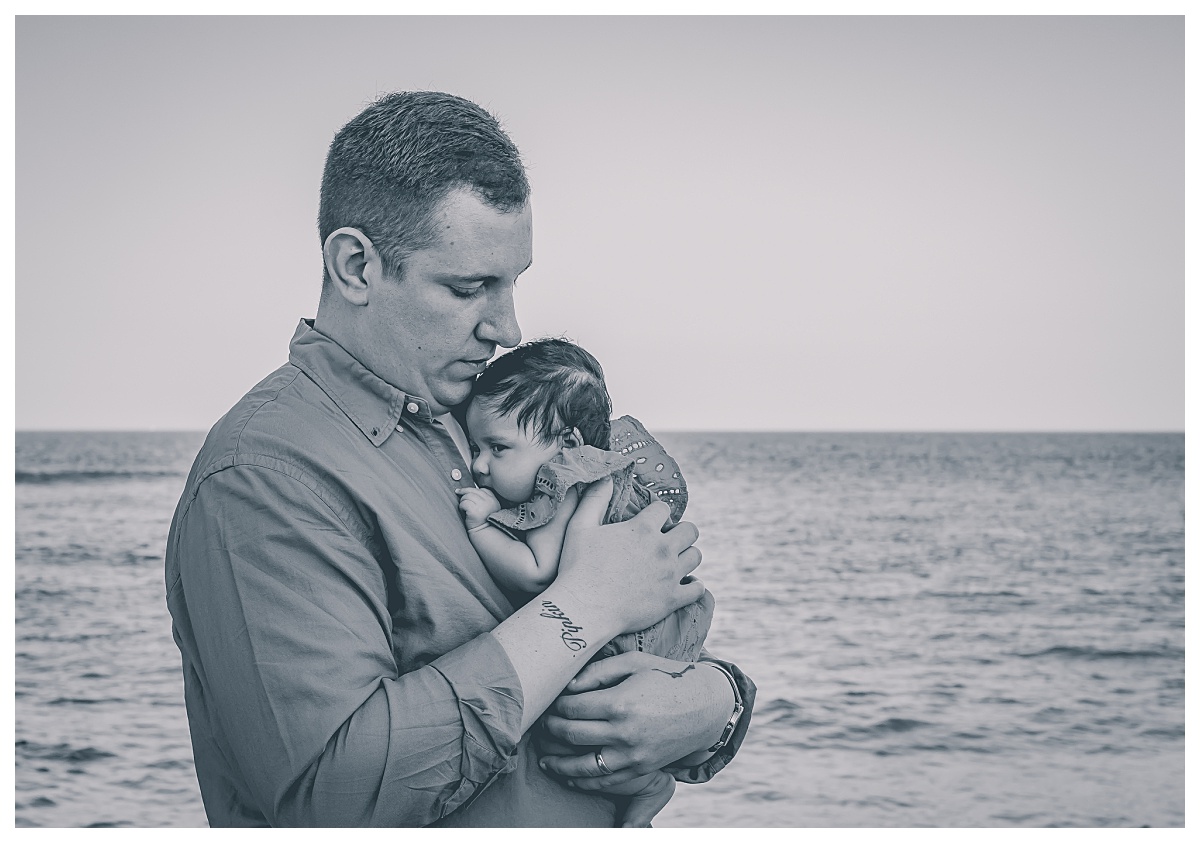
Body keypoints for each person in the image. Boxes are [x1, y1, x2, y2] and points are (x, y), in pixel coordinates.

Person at [164, 91, 755, 827]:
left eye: (514, 282)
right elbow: (334, 793)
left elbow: (644, 626)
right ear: (355, 266)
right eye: (469, 287)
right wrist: (583, 603)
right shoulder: (261, 476)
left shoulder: (488, 417)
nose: (508, 328)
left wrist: (715, 703)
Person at [455, 337, 720, 826]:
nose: (478, 465)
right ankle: (651, 782)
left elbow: (536, 574)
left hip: (623, 636)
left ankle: (650, 785)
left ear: (570, 445)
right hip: (659, 631)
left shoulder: (572, 483)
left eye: (497, 448)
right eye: (474, 447)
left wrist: (480, 525)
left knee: (586, 713)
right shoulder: (596, 472)